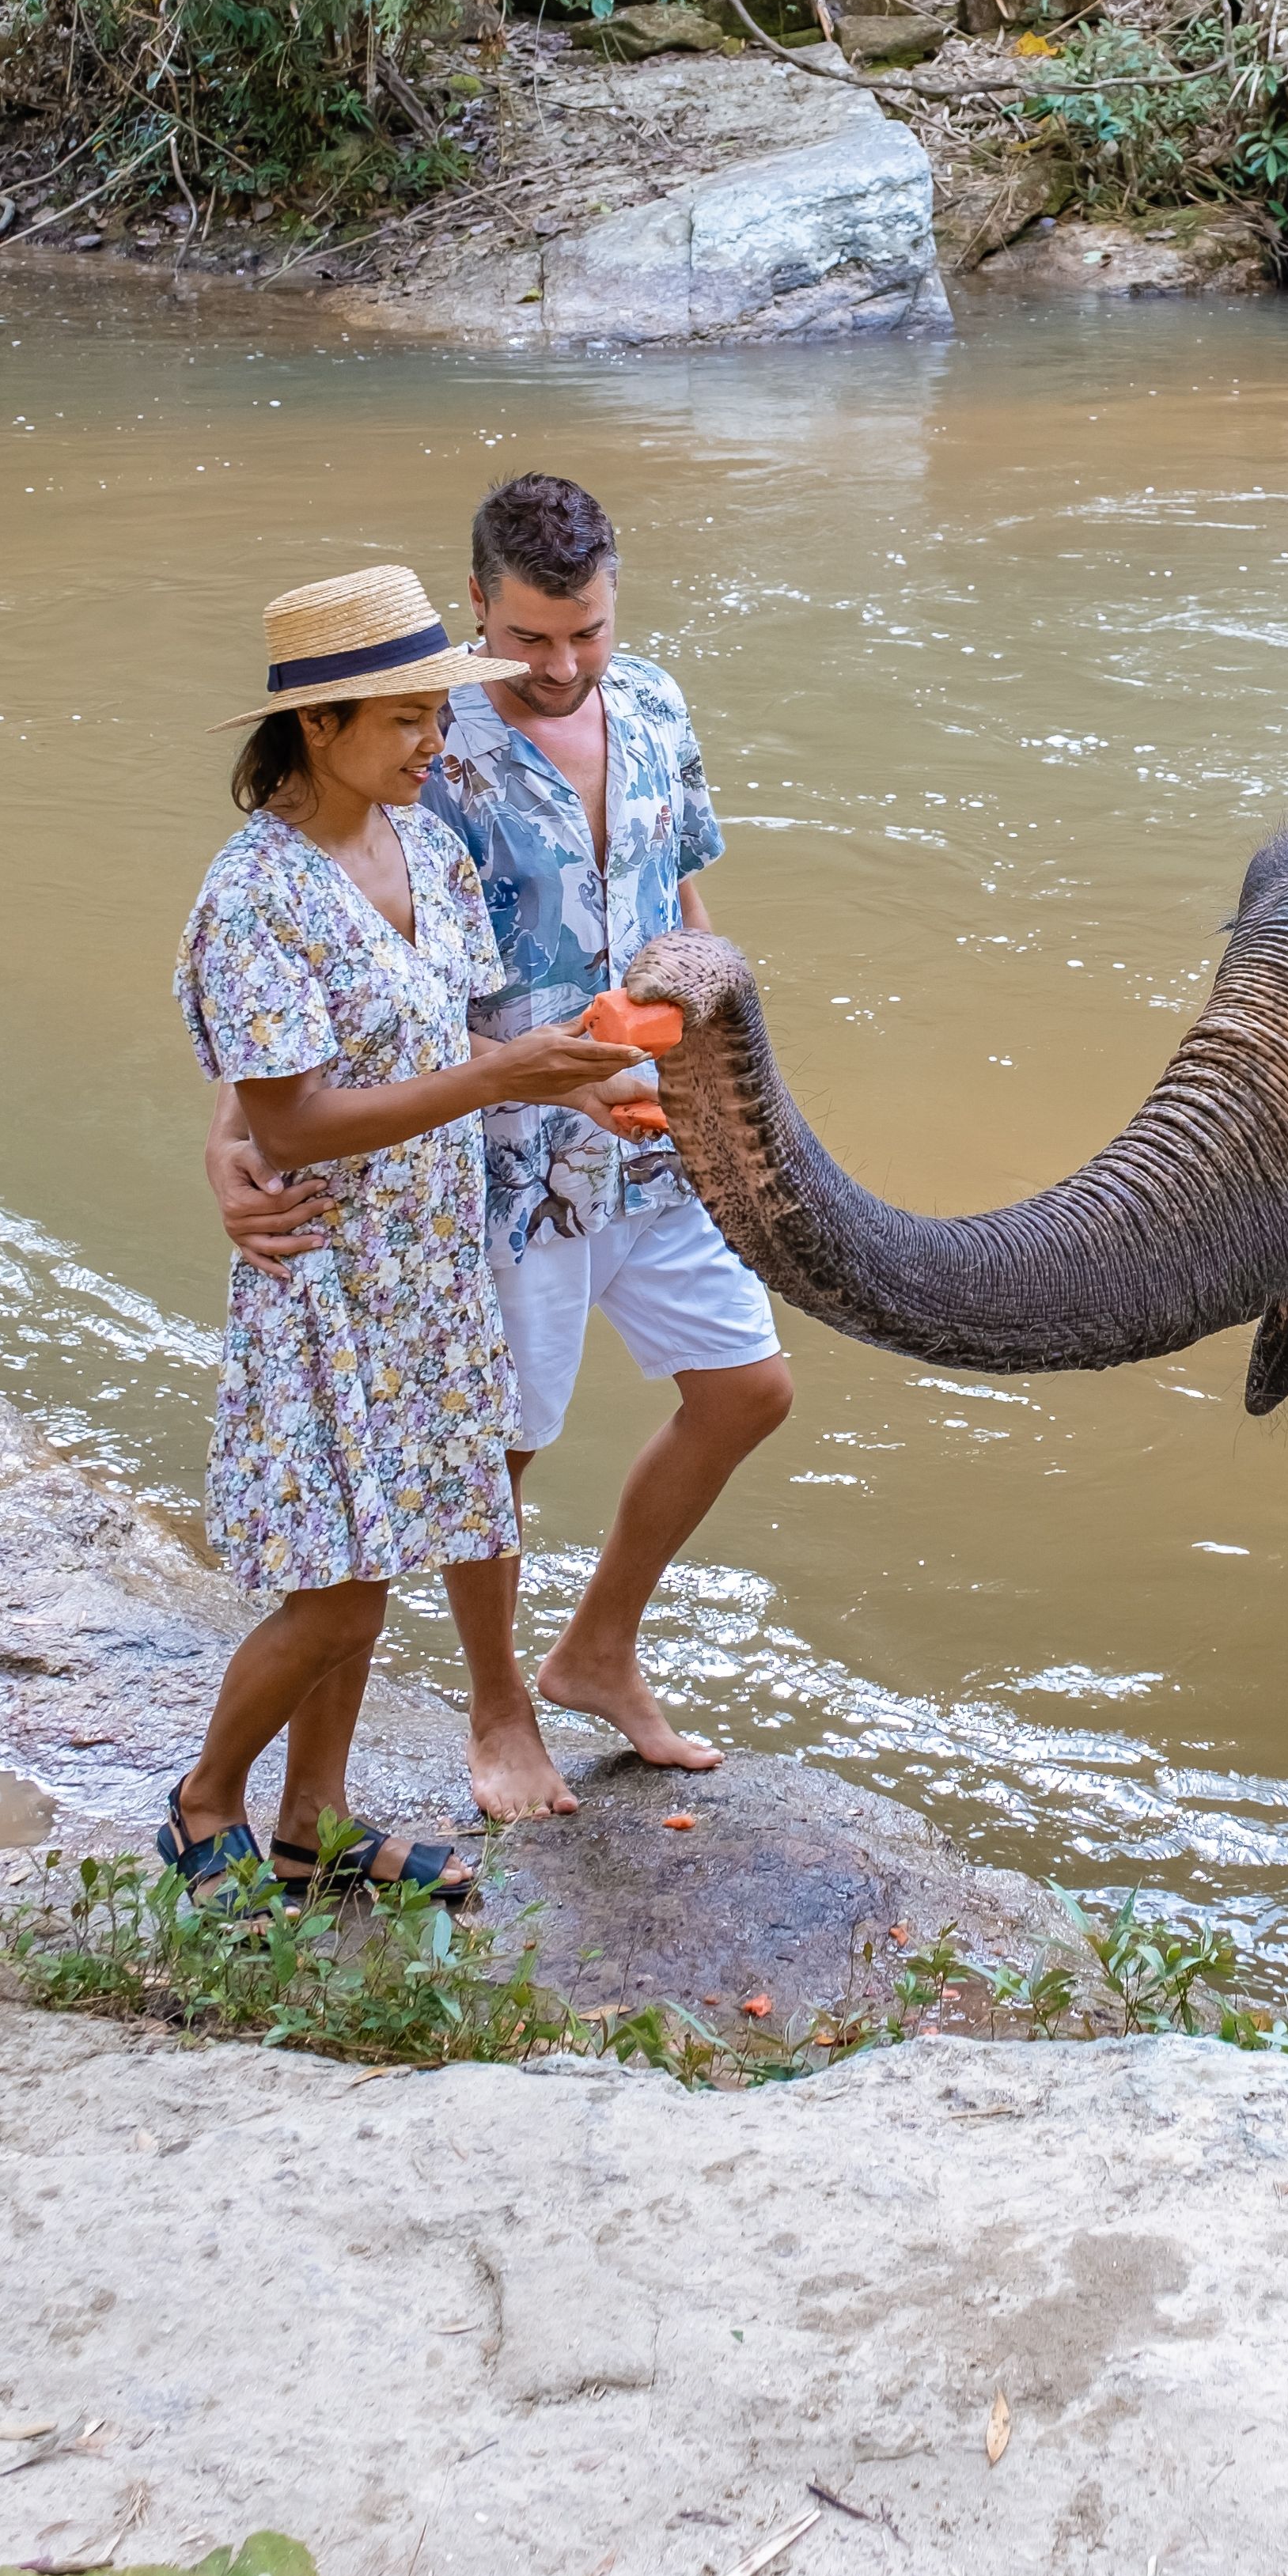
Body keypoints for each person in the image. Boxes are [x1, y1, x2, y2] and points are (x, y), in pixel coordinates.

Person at [208, 470, 791, 1816]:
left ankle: (597, 1651)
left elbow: (683, 886)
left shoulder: (649, 703)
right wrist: (231, 1139)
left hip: (652, 1127)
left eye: (584, 629)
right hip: (492, 1154)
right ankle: (495, 1705)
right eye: (529, 636)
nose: (562, 662)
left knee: (746, 1389)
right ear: (476, 604)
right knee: (496, 1452)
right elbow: (331, 970)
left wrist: (725, 1046)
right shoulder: (413, 744)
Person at [166, 560, 637, 1906]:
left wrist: (585, 1087)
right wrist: (499, 1081)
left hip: (431, 1270)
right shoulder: (253, 894)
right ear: (320, 727)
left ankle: (317, 1820)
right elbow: (296, 1123)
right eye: (411, 720)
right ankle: (207, 1803)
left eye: (443, 713)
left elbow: (471, 1032)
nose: (441, 743)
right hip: (327, 1271)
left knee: (375, 1557)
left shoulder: (424, 842)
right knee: (345, 1590)